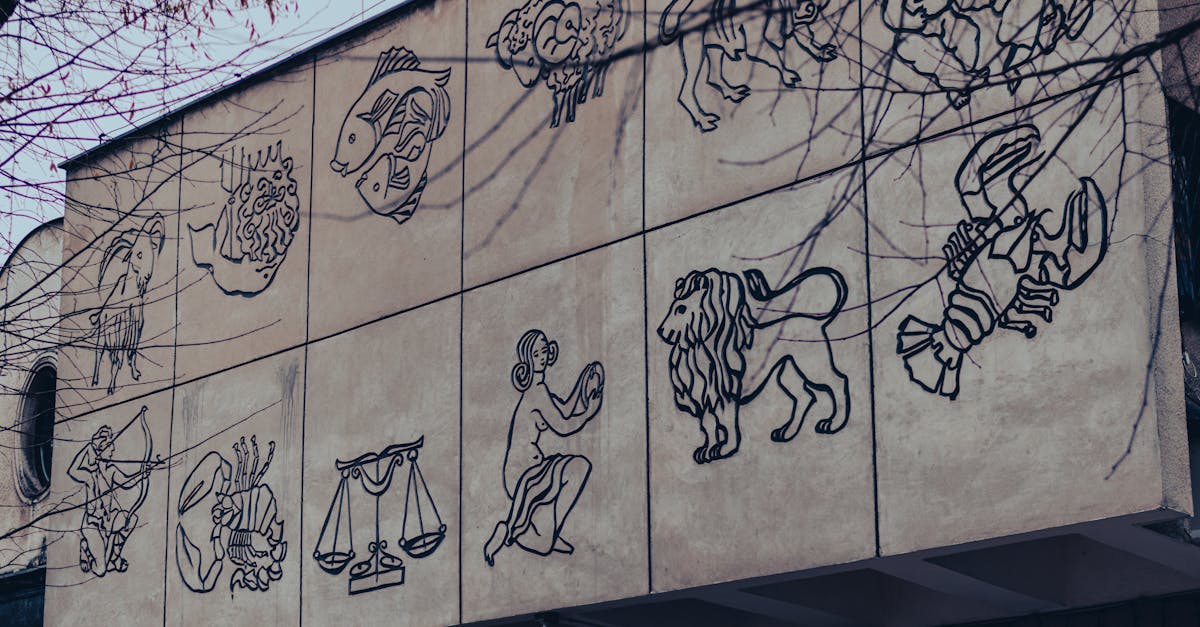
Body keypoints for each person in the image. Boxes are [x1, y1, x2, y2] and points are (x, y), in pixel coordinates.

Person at [484, 329, 604, 567]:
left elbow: (566, 408)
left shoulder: (541, 391)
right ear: (528, 359)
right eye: (536, 352)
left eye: (544, 349)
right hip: (523, 471)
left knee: (577, 468)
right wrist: (590, 411)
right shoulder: (536, 393)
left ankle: (541, 535)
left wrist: (584, 383)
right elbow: (564, 425)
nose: (542, 355)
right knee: (578, 467)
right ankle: (518, 533)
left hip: (533, 465)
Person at [68, 419, 152, 577]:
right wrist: (89, 447)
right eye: (110, 445)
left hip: (107, 521)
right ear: (101, 448)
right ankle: (87, 546)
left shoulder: (111, 470)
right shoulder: (89, 475)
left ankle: (113, 555)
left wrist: (143, 473)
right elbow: (72, 470)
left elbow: (127, 482)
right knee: (100, 570)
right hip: (92, 524)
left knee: (130, 518)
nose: (113, 449)